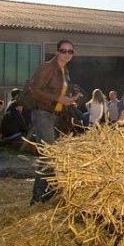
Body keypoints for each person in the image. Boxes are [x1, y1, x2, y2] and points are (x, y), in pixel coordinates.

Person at [28, 39, 78, 204]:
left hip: (55, 116)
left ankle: (44, 196)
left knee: (51, 157)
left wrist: (68, 100)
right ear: (56, 52)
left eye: (70, 51)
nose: (66, 54)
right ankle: (37, 199)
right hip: (43, 115)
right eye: (63, 51)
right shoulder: (48, 67)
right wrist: (58, 98)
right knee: (49, 157)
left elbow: (59, 95)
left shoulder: (65, 71)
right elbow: (34, 90)